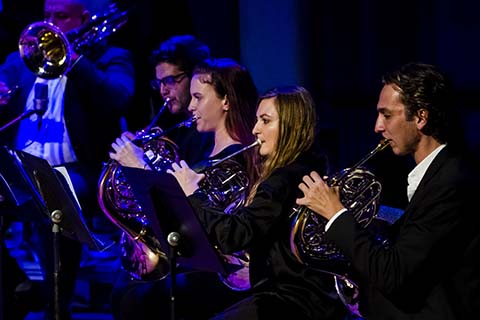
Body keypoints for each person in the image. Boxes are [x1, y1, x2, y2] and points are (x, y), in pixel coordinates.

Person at [296, 62, 480, 319]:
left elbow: (394, 275)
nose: (377, 126)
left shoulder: (452, 180)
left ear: (420, 117)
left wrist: (336, 213)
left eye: (387, 115)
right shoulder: (437, 172)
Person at [0, 0, 135, 318]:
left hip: (78, 171)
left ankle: (57, 308)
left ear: (83, 19)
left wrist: (75, 61)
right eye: (46, 15)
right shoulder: (21, 60)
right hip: (21, 165)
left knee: (54, 200)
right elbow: (5, 87)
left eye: (60, 16)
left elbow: (120, 98)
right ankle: (21, 287)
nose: (51, 24)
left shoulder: (110, 58)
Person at [166, 85, 347, 319]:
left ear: (291, 127)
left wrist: (193, 195)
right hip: (311, 296)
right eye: (257, 120)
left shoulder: (282, 181)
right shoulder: (312, 165)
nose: (255, 130)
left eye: (265, 121)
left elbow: (234, 235)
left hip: (290, 300)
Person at [108, 57, 260, 319]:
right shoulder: (203, 146)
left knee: (134, 301)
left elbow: (195, 226)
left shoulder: (234, 160)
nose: (190, 106)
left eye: (198, 97)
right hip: (192, 260)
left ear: (226, 101)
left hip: (218, 269)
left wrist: (140, 167)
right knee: (123, 290)